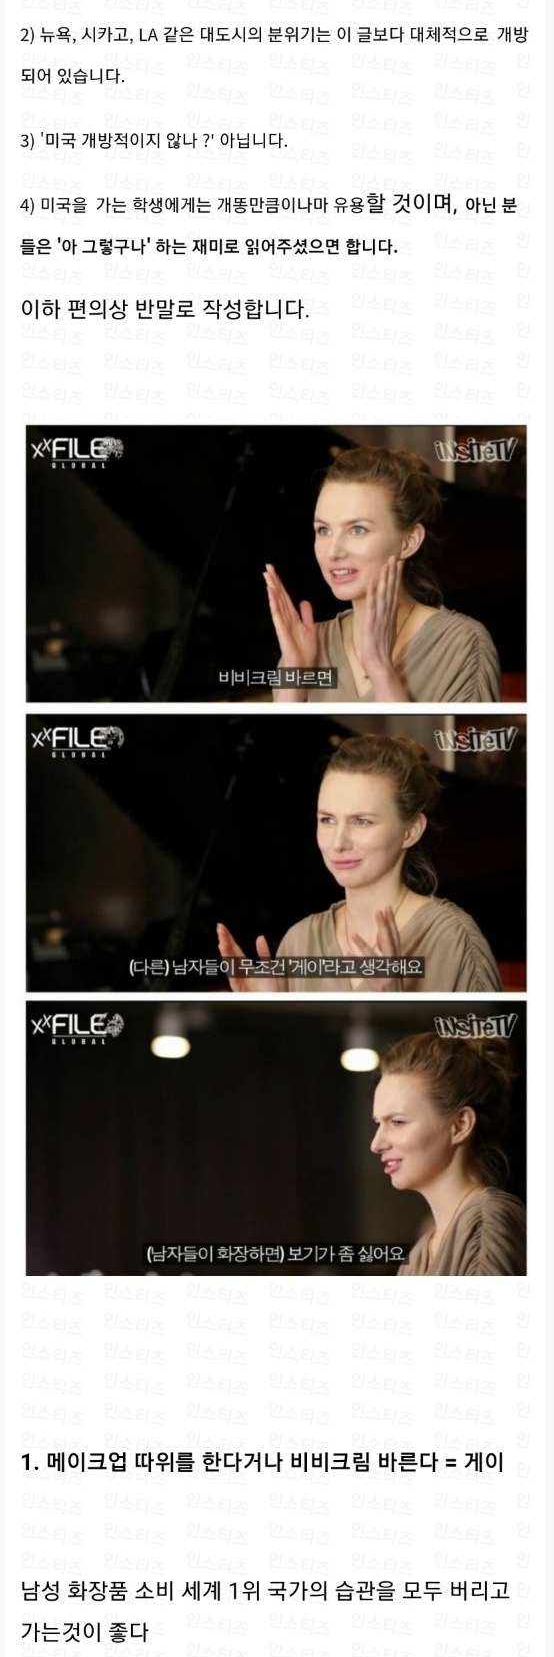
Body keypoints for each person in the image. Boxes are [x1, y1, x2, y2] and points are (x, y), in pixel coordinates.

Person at [216, 727, 502, 996]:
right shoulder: (300, 940)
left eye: (361, 821)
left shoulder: (454, 940)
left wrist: (395, 1004)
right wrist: (266, 1010)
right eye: (327, 820)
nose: (338, 843)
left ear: (411, 831)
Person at [265, 437, 502, 706]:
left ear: (409, 541)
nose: (333, 552)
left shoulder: (463, 645)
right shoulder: (307, 645)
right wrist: (294, 679)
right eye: (324, 530)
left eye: (357, 530)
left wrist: (380, 670)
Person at [370, 1029, 527, 1273]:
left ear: (460, 1125)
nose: (376, 1144)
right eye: (378, 1123)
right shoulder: (421, 1252)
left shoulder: (486, 1226)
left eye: (398, 1122)